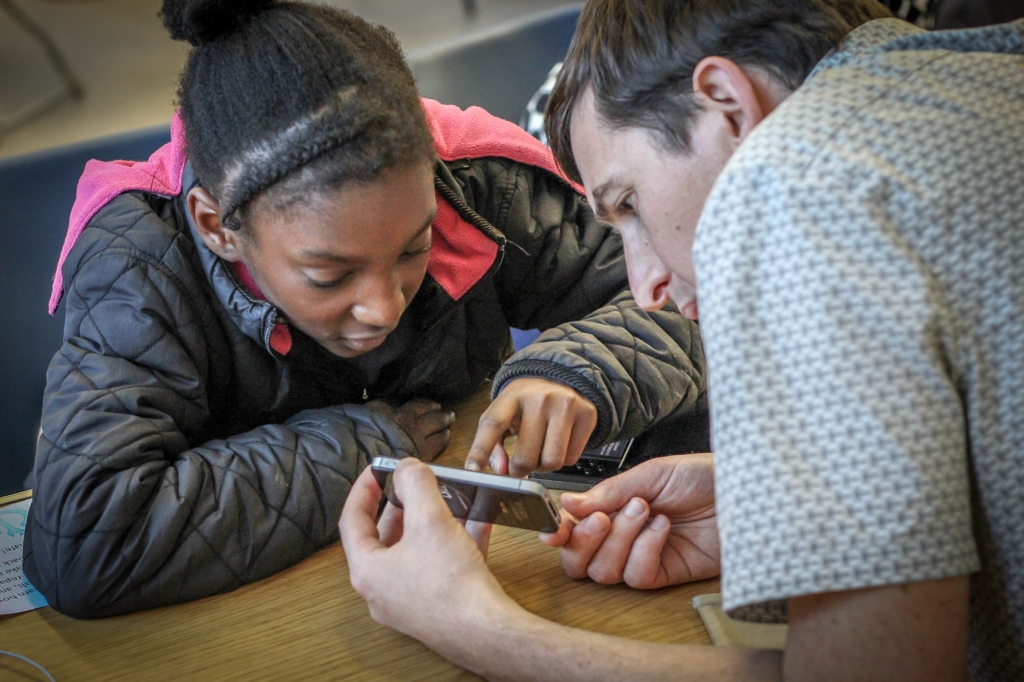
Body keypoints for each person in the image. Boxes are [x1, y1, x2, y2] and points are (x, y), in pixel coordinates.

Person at [340, 1, 1024, 680]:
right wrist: (761, 499)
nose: (646, 287)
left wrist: (469, 624)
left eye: (630, 206)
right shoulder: (972, 78)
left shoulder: (795, 185)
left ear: (728, 105)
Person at [23, 0, 706, 618]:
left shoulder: (472, 183)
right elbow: (85, 541)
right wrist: (373, 449)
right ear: (216, 227)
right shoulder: (138, 269)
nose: (382, 308)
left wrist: (573, 370)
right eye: (329, 275)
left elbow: (699, 301)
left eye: (416, 248)